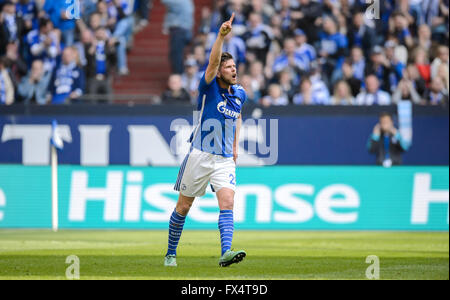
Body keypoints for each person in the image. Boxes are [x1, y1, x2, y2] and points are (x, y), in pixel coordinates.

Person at [165, 13, 247, 268]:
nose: (233, 69)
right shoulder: (209, 86)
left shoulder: (240, 93)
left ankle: (225, 253)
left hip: (224, 159)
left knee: (228, 202)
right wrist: (221, 37)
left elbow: (238, 117)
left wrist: (234, 147)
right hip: (200, 154)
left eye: (234, 66)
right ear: (219, 72)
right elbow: (212, 63)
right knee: (184, 206)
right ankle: (170, 253)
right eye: (228, 67)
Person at [162, 0, 194, 74]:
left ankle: (178, 75)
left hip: (179, 32)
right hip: (182, 31)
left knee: (176, 56)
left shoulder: (182, 1)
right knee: (176, 55)